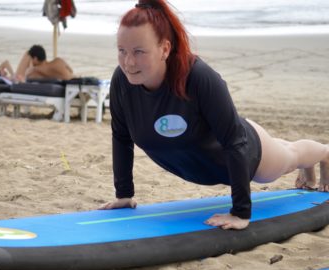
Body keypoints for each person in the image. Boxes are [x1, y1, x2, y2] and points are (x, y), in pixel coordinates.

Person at [99, 0, 329, 230]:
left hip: (245, 152)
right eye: (122, 51)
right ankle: (307, 167)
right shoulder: (122, 82)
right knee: (287, 149)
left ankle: (325, 154)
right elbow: (121, 137)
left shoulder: (198, 77)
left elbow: (234, 141)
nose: (128, 62)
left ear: (165, 49)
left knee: (289, 157)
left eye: (139, 51)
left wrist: (240, 213)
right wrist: (124, 194)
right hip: (217, 146)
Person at [0, 45, 74, 82]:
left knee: (29, 52)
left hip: (20, 77)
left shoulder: (37, 70)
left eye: (32, 59)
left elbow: (27, 77)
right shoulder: (59, 60)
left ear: (35, 59)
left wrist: (12, 75)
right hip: (69, 77)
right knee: (29, 52)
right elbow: (71, 70)